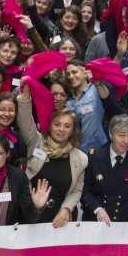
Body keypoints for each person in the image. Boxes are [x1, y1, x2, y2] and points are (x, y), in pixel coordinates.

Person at [15, 86, 88, 227]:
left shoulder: (81, 159)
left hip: (58, 219)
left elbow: (77, 191)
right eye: (57, 124)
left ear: (72, 131)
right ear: (50, 126)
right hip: (28, 214)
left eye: (67, 126)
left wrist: (66, 209)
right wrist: (25, 96)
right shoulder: (36, 143)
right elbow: (24, 121)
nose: (61, 129)